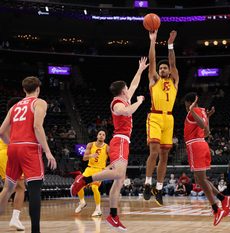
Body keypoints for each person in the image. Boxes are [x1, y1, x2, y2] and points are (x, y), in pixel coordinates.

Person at [70, 57, 148, 231]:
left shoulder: (124, 98)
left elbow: (134, 85)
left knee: (119, 180)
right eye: (127, 88)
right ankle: (85, 179)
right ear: (122, 91)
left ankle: (113, 216)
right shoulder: (117, 103)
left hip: (124, 141)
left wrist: (140, 69)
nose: (130, 89)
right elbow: (127, 111)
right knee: (119, 173)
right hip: (119, 140)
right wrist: (140, 102)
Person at [0, 76, 57, 233]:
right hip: (29, 148)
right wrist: (47, 151)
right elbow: (37, 126)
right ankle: (35, 231)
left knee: (8, 187)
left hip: (12, 147)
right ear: (38, 88)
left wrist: (11, 142)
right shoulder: (39, 102)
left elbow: (1, 132)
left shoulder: (14, 106)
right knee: (34, 189)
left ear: (24, 90)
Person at [184, 92, 230, 226]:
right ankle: (223, 199)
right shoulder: (203, 112)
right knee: (200, 179)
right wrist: (207, 116)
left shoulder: (193, 112)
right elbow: (207, 132)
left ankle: (216, 209)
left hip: (195, 145)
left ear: (189, 102)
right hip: (202, 144)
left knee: (201, 180)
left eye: (186, 104)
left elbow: (202, 127)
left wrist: (191, 111)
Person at [144, 30, 179, 206]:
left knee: (164, 157)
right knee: (154, 152)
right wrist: (153, 41)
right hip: (155, 116)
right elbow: (152, 61)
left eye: (165, 68)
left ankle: (158, 188)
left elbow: (173, 63)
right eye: (161, 68)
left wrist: (170, 45)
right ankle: (147, 183)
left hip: (169, 119)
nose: (163, 69)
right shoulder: (154, 79)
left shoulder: (174, 80)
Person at [0, 97, 25, 231]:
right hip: (9, 154)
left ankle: (15, 219)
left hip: (2, 154)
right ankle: (15, 219)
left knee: (10, 188)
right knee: (17, 188)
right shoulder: (16, 119)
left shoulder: (7, 119)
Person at [74, 130, 109, 217]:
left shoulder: (107, 147)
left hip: (100, 170)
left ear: (105, 137)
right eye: (100, 134)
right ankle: (82, 202)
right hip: (89, 169)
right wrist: (91, 155)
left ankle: (98, 209)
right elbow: (84, 158)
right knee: (78, 184)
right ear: (97, 136)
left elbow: (112, 159)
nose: (101, 136)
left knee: (94, 187)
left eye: (103, 135)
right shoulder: (90, 144)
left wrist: (109, 168)